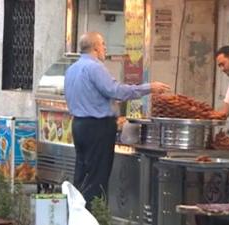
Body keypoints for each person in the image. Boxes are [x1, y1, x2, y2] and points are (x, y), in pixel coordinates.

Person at [64, 31, 170, 209]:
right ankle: (93, 216)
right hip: (97, 127)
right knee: (97, 176)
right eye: (103, 44)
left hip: (79, 125)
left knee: (82, 174)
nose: (105, 47)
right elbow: (116, 91)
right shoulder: (95, 67)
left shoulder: (71, 69)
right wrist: (149, 87)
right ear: (96, 47)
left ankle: (77, 215)